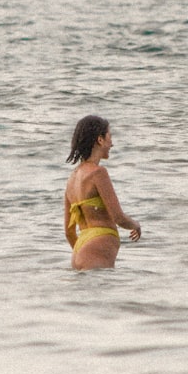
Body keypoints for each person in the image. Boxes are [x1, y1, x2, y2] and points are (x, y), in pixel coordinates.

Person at [63, 115, 142, 270]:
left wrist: (83, 252)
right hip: (95, 249)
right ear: (100, 140)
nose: (111, 143)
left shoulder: (72, 179)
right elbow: (118, 217)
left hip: (80, 250)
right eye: (109, 136)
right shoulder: (98, 173)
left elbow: (68, 232)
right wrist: (136, 225)